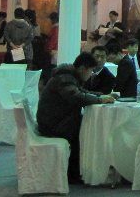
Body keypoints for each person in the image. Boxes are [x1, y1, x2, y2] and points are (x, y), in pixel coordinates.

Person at [37, 52, 114, 183]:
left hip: (55, 120)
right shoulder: (65, 78)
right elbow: (76, 97)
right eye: (91, 70)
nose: (91, 74)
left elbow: (82, 92)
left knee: (85, 125)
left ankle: (80, 170)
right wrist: (100, 100)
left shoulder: (69, 76)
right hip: (52, 124)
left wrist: (100, 96)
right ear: (83, 68)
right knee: (86, 130)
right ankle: (75, 173)